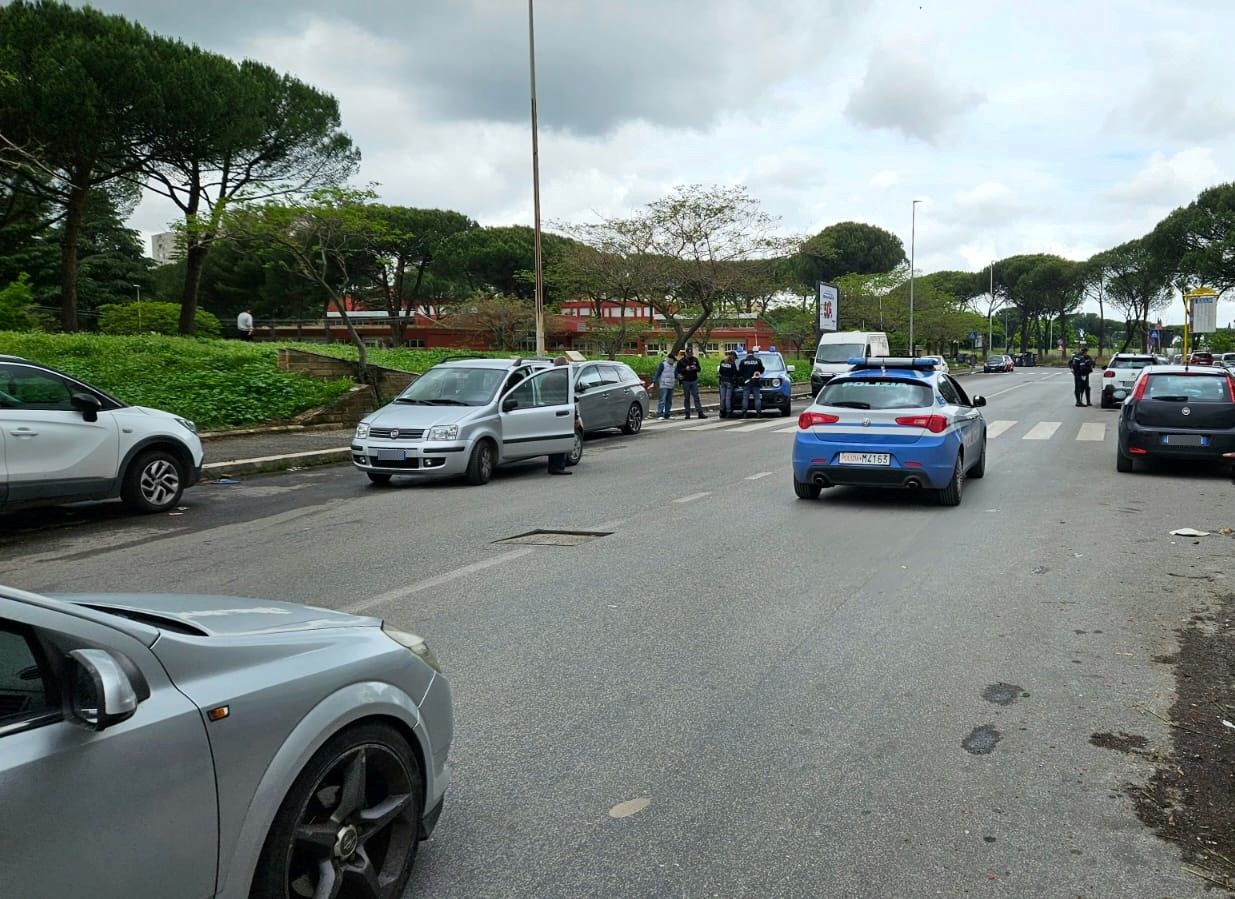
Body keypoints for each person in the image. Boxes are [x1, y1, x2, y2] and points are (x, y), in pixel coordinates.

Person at [547, 356, 575, 475]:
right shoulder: (564, 378)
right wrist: (576, 416)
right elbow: (570, 397)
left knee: (553, 438)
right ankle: (558, 465)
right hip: (560, 410)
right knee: (562, 437)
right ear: (564, 365)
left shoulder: (546, 377)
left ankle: (553, 465)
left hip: (548, 410)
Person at [675, 346, 707, 419]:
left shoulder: (695, 359)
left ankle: (700, 412)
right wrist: (685, 369)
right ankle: (687, 413)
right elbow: (678, 370)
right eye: (688, 353)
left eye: (691, 353)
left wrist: (695, 368)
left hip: (694, 380)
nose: (690, 354)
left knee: (696, 397)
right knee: (687, 397)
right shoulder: (681, 361)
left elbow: (699, 369)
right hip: (685, 380)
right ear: (685, 353)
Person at [736, 349, 765, 416]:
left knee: (745, 398)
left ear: (747, 353)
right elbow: (762, 370)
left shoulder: (743, 361)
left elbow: (739, 372)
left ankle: (744, 413)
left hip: (746, 382)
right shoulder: (758, 361)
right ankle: (758, 412)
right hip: (756, 382)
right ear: (753, 353)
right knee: (757, 398)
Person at [653, 350, 678, 420]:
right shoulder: (663, 365)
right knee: (662, 400)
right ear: (669, 359)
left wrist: (679, 378)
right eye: (673, 360)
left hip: (671, 385)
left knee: (669, 401)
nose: (673, 361)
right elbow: (658, 373)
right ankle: (660, 414)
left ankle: (667, 414)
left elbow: (675, 375)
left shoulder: (674, 366)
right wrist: (654, 381)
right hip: (663, 385)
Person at [717, 351, 737, 418]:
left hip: (722, 381)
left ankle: (722, 412)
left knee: (722, 398)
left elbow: (720, 371)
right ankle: (729, 412)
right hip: (729, 382)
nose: (735, 359)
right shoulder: (732, 363)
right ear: (733, 357)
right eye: (735, 358)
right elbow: (735, 373)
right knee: (728, 398)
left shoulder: (722, 362)